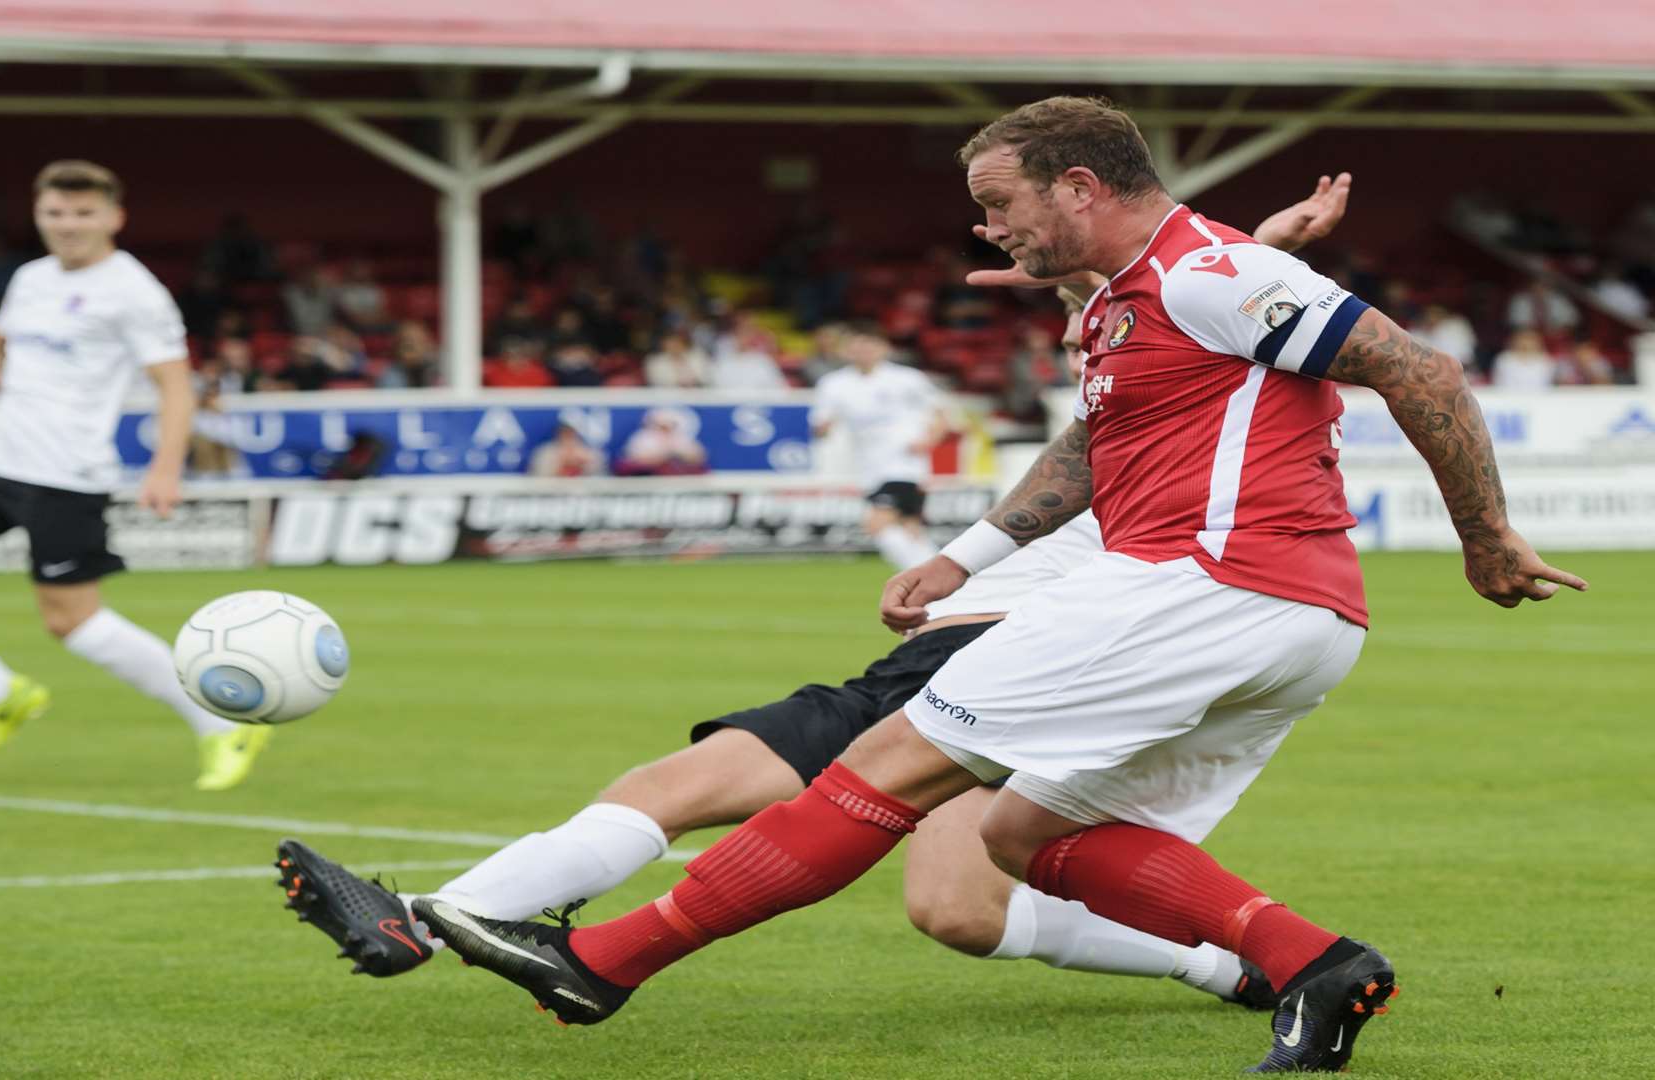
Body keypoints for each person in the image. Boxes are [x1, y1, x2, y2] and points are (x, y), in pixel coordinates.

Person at [402, 99, 1585, 1073]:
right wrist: (969, 558)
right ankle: (1316, 967)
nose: (990, 230)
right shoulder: (1133, 301)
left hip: (1202, 586)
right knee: (1027, 832)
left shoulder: (1204, 274)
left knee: (885, 769)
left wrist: (1486, 537)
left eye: (1000, 205)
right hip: (1298, 619)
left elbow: (1416, 368)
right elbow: (1092, 447)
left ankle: (604, 964)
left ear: (1078, 185)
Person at [275, 168, 1363, 1022]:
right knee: (757, 814)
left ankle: (495, 932)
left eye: (1018, 224)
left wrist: (1251, 255)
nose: (1013, 251)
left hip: (1055, 639)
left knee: (955, 897)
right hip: (956, 633)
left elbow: (1202, 287)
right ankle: (439, 918)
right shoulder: (1133, 343)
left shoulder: (1187, 333)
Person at [0, 160, 273, 791]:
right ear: (39, 214)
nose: (68, 225)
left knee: (73, 623)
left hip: (66, 475)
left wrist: (164, 469)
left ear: (113, 217)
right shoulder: (31, 278)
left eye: (83, 213)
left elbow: (176, 387)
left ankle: (220, 720)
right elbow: (2, 335)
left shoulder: (134, 292)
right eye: (55, 213)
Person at [811, 324, 950, 570]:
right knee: (910, 527)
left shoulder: (906, 378)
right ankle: (945, 580)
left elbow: (940, 413)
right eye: (857, 347)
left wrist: (929, 441)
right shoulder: (834, 384)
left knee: (877, 525)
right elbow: (821, 424)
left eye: (869, 346)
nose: (863, 352)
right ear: (846, 350)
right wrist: (823, 429)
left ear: (883, 348)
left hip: (904, 463)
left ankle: (920, 579)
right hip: (868, 466)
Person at [615, 408, 707, 475]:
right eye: (662, 425)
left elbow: (698, 457)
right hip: (648, 478)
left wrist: (677, 453)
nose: (665, 429)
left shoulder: (681, 438)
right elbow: (632, 461)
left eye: (669, 425)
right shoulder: (643, 438)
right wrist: (662, 456)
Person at [527, 422, 608, 478]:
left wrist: (583, 465)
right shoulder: (546, 453)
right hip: (551, 496)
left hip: (584, 496)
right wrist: (560, 464)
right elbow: (537, 477)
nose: (567, 439)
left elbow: (602, 476)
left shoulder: (588, 452)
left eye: (570, 435)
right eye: (565, 435)